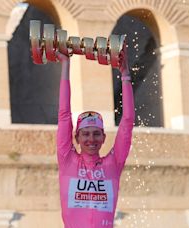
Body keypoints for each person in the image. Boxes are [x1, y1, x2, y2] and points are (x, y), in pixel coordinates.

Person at [56, 44, 134, 228]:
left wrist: (125, 75)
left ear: (104, 138)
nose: (91, 139)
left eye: (96, 134)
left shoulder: (112, 164)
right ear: (77, 137)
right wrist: (66, 65)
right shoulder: (67, 159)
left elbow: (128, 121)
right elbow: (64, 115)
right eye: (86, 134)